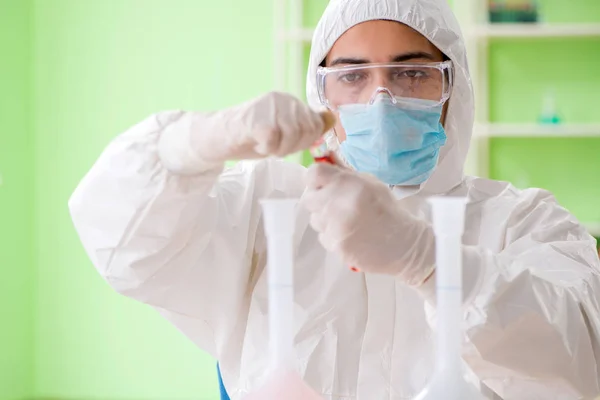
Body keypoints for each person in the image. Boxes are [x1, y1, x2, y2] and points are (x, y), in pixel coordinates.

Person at [68, 0, 600, 399]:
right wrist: (196, 142)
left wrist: (429, 261)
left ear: (453, 88)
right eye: (352, 76)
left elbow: (582, 356)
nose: (382, 98)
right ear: (322, 93)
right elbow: (125, 245)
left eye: (413, 72)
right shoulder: (266, 205)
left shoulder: (523, 221)